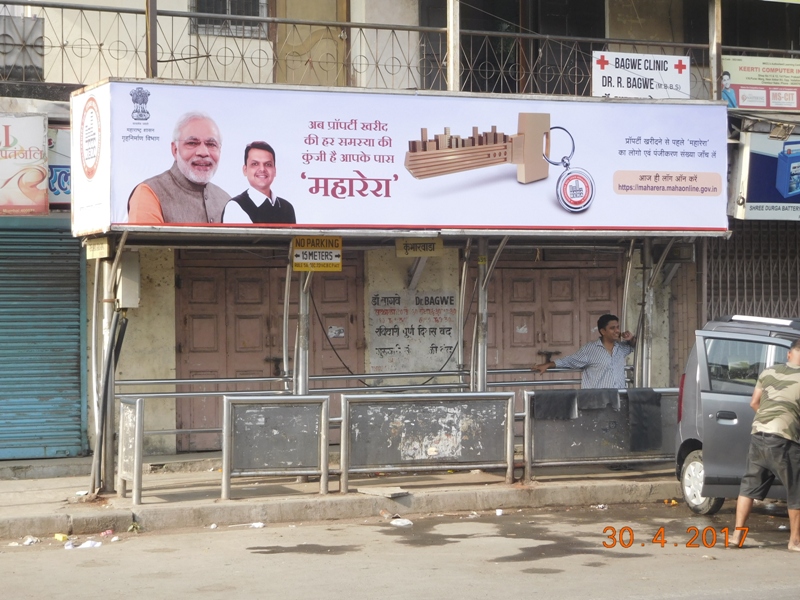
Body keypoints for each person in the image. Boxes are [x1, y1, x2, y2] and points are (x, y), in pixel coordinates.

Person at [730, 338, 800, 551]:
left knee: (748, 488)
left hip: (759, 434)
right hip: (784, 440)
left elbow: (754, 403)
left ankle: (736, 536)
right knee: (797, 492)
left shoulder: (768, 372)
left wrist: (768, 421)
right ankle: (795, 541)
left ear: (789, 354)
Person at [128, 112, 230, 224]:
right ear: (175, 150)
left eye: (211, 144)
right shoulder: (149, 193)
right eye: (192, 143)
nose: (203, 152)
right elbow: (143, 241)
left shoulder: (226, 201)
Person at [532, 314, 635, 389]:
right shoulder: (590, 349)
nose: (617, 331)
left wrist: (631, 338)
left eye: (617, 327)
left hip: (619, 398)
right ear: (603, 331)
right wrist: (548, 365)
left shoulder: (621, 348)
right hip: (598, 400)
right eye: (612, 328)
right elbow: (569, 360)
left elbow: (637, 345)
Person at [221, 141, 296, 224]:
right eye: (255, 164)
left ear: (274, 171)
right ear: (245, 170)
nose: (262, 169)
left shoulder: (287, 208)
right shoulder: (235, 207)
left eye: (268, 164)